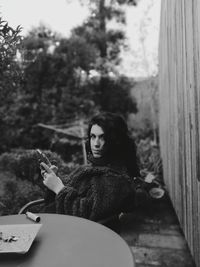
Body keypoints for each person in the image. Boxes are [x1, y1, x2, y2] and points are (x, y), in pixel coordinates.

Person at [40, 112, 140, 229]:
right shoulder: (89, 168)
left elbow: (85, 216)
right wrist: (54, 179)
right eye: (93, 136)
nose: (96, 144)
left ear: (115, 141)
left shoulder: (116, 179)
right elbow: (67, 189)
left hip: (78, 237)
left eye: (103, 137)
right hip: (55, 225)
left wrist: (58, 188)